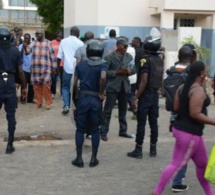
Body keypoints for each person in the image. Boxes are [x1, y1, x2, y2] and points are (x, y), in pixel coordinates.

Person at [152, 61, 214, 195]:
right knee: (176, 164)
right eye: (205, 72)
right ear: (201, 73)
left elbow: (175, 107)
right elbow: (195, 113)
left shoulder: (182, 87)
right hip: (189, 134)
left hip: (189, 132)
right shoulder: (197, 90)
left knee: (202, 165)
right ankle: (157, 191)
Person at [127, 27, 164, 158]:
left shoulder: (145, 60)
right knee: (154, 122)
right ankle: (153, 149)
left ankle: (138, 150)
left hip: (146, 94)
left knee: (141, 122)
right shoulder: (159, 60)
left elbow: (143, 81)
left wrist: (136, 97)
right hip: (155, 95)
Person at [71, 39, 107, 168]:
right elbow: (103, 77)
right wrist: (101, 92)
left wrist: (75, 100)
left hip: (83, 98)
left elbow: (74, 84)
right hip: (96, 99)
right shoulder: (103, 65)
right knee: (95, 130)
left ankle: (79, 158)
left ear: (87, 51)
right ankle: (93, 158)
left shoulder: (80, 65)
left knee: (80, 129)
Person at [170, 44, 197, 192]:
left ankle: (179, 177)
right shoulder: (192, 73)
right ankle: (177, 181)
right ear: (191, 56)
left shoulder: (172, 70)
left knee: (182, 147)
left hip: (175, 115)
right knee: (185, 150)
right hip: (188, 117)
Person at [100, 37, 136, 141]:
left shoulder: (129, 57)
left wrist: (129, 71)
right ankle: (103, 131)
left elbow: (134, 69)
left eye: (127, 46)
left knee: (123, 110)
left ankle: (123, 131)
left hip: (124, 87)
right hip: (113, 87)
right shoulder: (109, 57)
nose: (126, 47)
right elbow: (105, 72)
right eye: (124, 46)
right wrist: (116, 72)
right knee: (107, 110)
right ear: (118, 46)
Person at [0, 26, 27, 154]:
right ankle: (10, 145)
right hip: (10, 83)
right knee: (11, 115)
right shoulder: (15, 51)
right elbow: (20, 72)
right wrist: (24, 87)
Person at [23, 29, 57, 110]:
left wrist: (54, 68)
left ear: (43, 34)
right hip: (35, 70)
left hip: (46, 69)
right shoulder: (33, 43)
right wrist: (24, 46)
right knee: (36, 87)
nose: (37, 35)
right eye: (36, 34)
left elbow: (52, 56)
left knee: (46, 86)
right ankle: (39, 102)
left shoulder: (48, 43)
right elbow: (27, 52)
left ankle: (48, 103)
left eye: (38, 34)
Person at [57, 26, 84, 115]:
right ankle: (76, 106)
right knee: (76, 88)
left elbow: (59, 56)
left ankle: (66, 105)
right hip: (78, 69)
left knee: (65, 87)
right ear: (77, 33)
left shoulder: (63, 41)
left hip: (66, 68)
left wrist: (57, 68)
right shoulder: (80, 43)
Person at [18, 33, 34, 104]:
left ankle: (30, 99)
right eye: (25, 38)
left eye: (28, 38)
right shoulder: (21, 46)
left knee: (31, 85)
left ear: (30, 39)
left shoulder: (32, 46)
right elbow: (19, 56)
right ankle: (23, 98)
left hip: (32, 69)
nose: (27, 39)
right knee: (23, 85)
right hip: (24, 69)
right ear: (24, 39)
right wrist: (23, 47)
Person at [51, 30, 63, 99]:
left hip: (62, 64)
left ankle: (62, 93)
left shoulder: (63, 42)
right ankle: (53, 92)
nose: (59, 36)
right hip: (54, 64)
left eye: (60, 35)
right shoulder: (52, 42)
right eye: (58, 35)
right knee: (53, 79)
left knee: (62, 79)